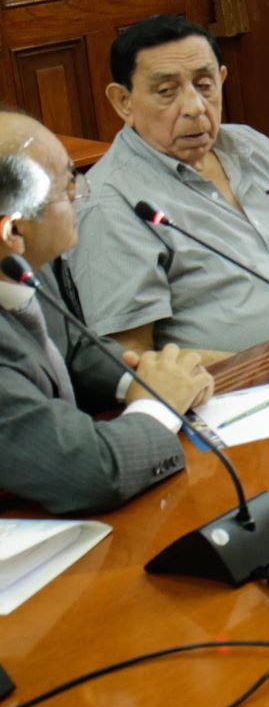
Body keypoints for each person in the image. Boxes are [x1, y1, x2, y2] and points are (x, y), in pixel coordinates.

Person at [71, 15, 269, 359]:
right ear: (123, 101)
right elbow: (132, 358)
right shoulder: (111, 201)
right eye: (167, 92)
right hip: (260, 387)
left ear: (222, 80)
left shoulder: (254, 147)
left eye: (204, 85)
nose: (195, 108)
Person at [0, 114, 211, 515]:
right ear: (14, 229)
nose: (82, 194)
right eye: (66, 188)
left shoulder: (22, 261)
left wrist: (142, 377)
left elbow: (71, 345)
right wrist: (158, 402)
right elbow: (90, 473)